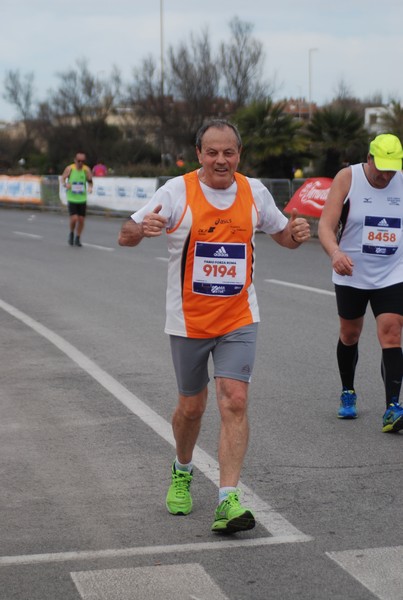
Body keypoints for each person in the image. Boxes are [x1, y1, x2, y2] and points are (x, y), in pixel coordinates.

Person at [118, 119, 311, 533]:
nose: (221, 160)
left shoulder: (255, 191)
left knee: (234, 400)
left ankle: (228, 499)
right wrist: (142, 229)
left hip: (239, 317)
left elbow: (284, 237)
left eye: (229, 152)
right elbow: (126, 233)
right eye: (212, 152)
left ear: (239, 154)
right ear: (199, 154)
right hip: (188, 320)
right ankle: (183, 469)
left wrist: (297, 233)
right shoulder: (176, 190)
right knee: (192, 407)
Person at [318, 133, 403, 432]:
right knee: (350, 334)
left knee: (392, 332)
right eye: (381, 167)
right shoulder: (348, 178)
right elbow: (326, 226)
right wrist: (335, 252)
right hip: (350, 271)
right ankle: (348, 391)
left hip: (393, 272)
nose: (386, 175)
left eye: (392, 169)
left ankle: (393, 407)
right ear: (369, 158)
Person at [61, 152, 93, 247]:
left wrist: (90, 187)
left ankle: (77, 237)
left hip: (82, 198)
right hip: (72, 198)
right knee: (74, 218)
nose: (80, 163)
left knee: (81, 219)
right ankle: (71, 233)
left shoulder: (86, 170)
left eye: (82, 161)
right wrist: (66, 184)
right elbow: (62, 179)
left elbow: (90, 181)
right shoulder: (70, 168)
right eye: (79, 161)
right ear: (75, 160)